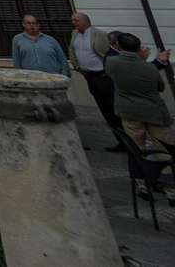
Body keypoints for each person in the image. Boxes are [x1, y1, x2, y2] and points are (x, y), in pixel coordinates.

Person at [106, 34, 173, 186]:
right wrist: (147, 61)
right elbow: (160, 87)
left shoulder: (111, 62)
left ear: (118, 45)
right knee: (164, 150)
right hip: (154, 112)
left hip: (129, 112)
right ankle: (170, 188)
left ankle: (143, 185)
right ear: (139, 47)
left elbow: (116, 74)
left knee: (136, 149)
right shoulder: (149, 67)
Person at [69, 11, 124, 149]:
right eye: (72, 20)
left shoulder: (100, 35)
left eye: (76, 20)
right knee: (105, 109)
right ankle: (121, 141)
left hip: (104, 76)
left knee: (115, 109)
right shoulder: (74, 34)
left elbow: (112, 53)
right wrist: (77, 66)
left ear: (86, 22)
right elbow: (72, 50)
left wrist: (109, 70)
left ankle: (127, 140)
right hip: (90, 76)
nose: (73, 22)